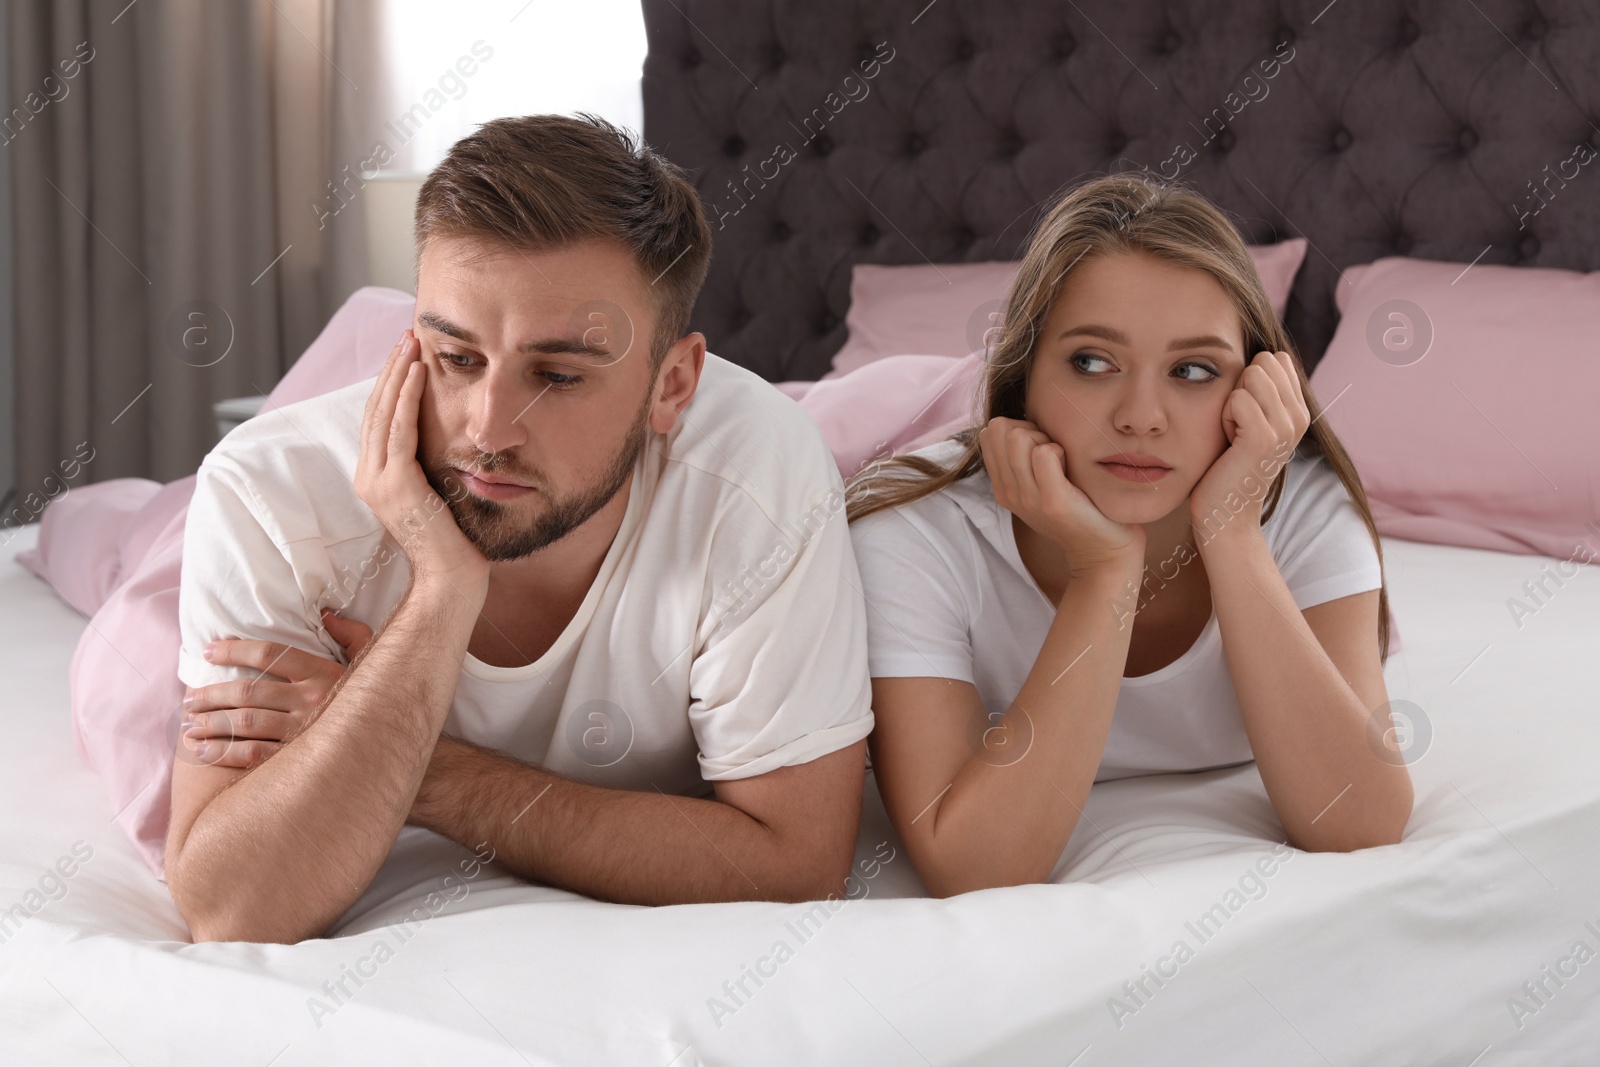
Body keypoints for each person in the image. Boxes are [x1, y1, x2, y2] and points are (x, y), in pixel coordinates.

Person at [166, 114, 873, 943]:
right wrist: (444, 585)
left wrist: (412, 764)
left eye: (558, 375)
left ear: (672, 386)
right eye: (456, 359)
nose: (488, 429)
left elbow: (794, 866)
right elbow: (236, 908)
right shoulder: (268, 491)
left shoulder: (756, 477)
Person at [845, 173, 1414, 899]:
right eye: (1091, 362)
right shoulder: (915, 535)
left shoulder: (1302, 504)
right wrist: (1105, 571)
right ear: (1023, 376)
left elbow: (1360, 823)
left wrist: (1231, 531)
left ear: (1252, 389)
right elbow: (974, 865)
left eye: (1193, 370)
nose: (1142, 415)